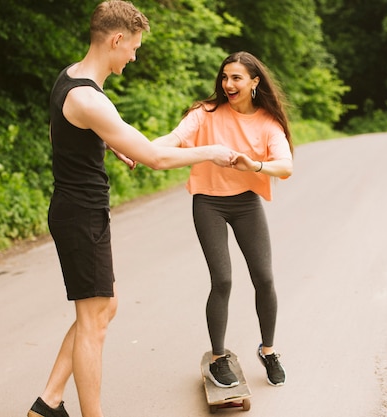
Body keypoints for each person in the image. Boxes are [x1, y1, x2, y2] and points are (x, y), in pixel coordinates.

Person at [27, 2, 239, 417]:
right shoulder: (90, 99)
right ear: (116, 39)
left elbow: (61, 131)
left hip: (77, 209)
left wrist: (105, 144)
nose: (134, 56)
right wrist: (212, 151)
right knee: (93, 322)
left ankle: (48, 402)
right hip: (81, 215)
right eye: (134, 47)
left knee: (106, 306)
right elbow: (156, 159)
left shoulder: (69, 77)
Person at [154, 51, 293, 388]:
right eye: (225, 77)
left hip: (246, 203)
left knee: (264, 278)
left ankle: (269, 350)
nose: (228, 84)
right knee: (223, 279)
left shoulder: (267, 123)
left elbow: (285, 166)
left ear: (254, 82)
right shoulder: (205, 113)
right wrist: (139, 148)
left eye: (237, 78)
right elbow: (172, 140)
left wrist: (254, 166)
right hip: (209, 203)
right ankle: (218, 358)